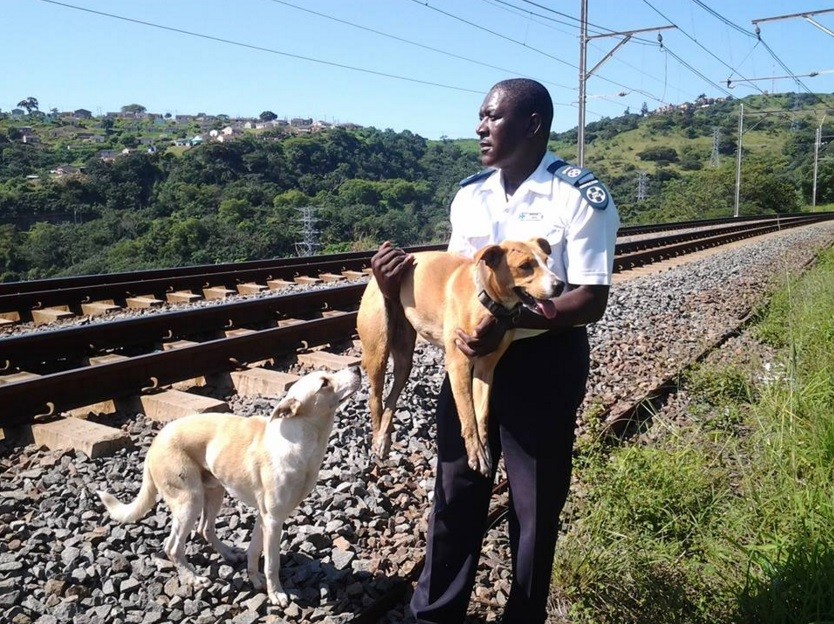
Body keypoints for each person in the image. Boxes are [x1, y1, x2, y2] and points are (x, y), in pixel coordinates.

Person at [370, 78, 619, 624]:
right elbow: (457, 282)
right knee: (456, 491)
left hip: (542, 364)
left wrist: (509, 320)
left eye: (492, 117)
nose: (480, 127)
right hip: (470, 360)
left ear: (532, 124)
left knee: (533, 510)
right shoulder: (470, 194)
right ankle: (433, 613)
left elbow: (590, 299)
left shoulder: (577, 195)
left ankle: (523, 616)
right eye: (480, 117)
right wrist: (394, 287)